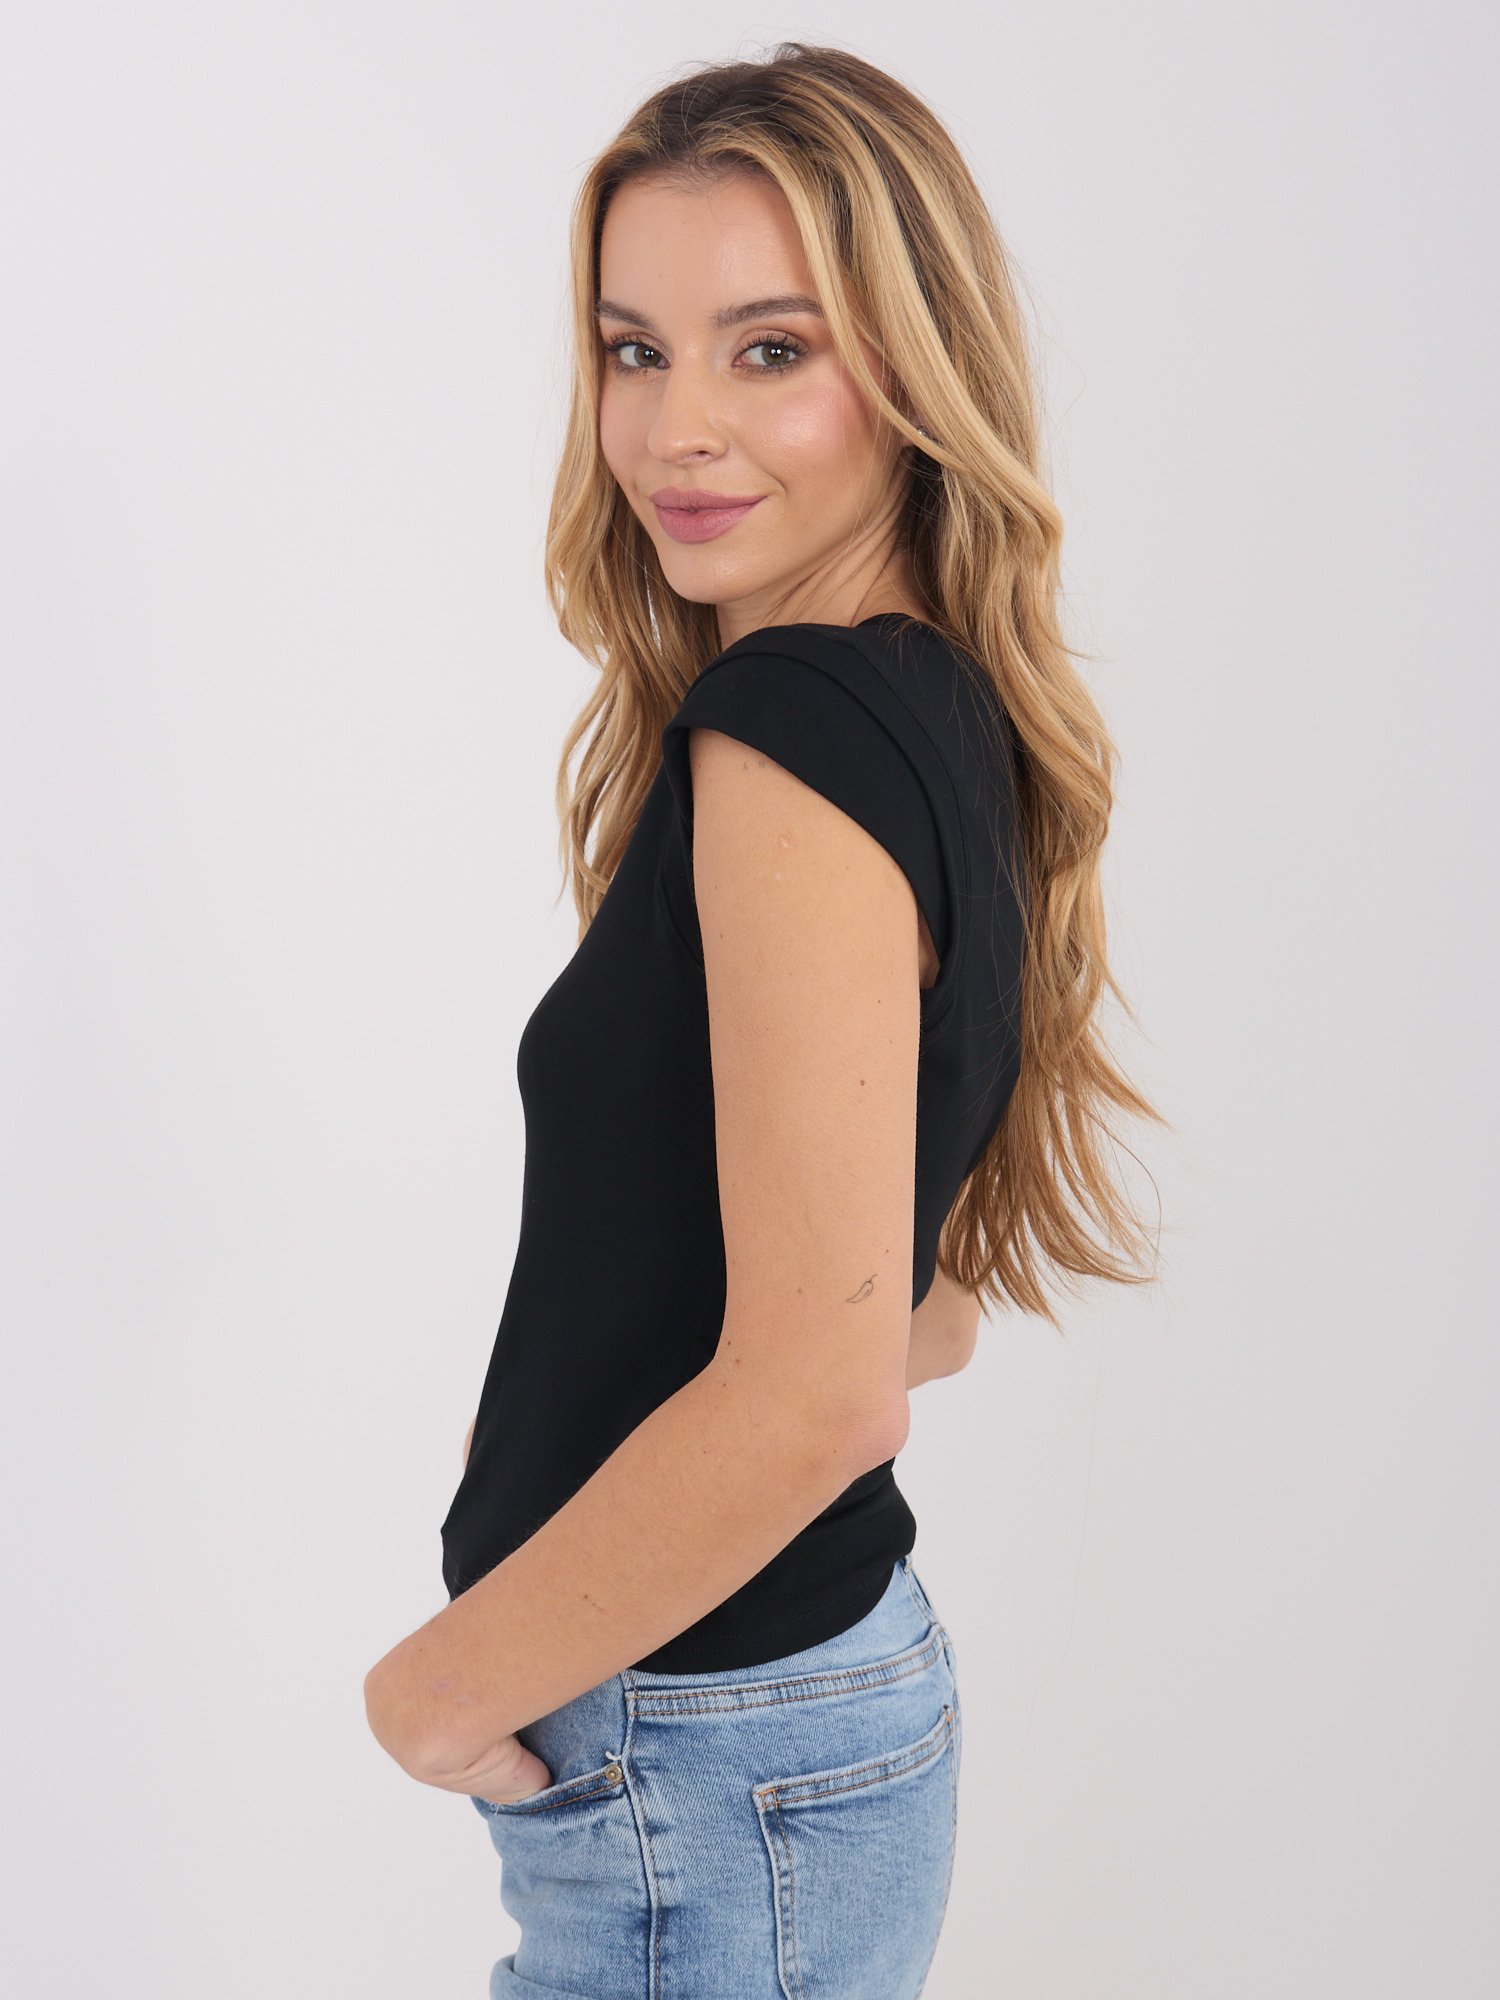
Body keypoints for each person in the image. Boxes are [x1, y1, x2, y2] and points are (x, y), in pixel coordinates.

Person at [364, 39, 1164, 1998]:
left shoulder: (792, 733)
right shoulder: (923, 702)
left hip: (699, 1766)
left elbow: (826, 1389)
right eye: (634, 351)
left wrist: (433, 1687)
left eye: (771, 350)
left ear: (915, 369)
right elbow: (917, 1304)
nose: (678, 431)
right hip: (755, 1743)